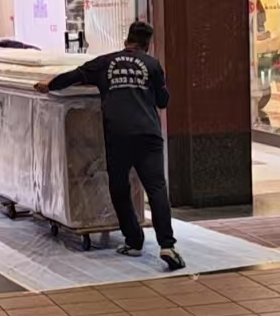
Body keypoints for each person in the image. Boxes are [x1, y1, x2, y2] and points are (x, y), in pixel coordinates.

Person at [35, 19, 184, 271]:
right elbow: (163, 101)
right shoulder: (152, 65)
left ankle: (134, 241)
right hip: (148, 134)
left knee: (119, 188)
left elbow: (74, 76)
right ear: (147, 45)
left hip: (118, 134)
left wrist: (48, 85)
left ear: (126, 40)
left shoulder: (105, 62)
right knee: (156, 188)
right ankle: (167, 245)